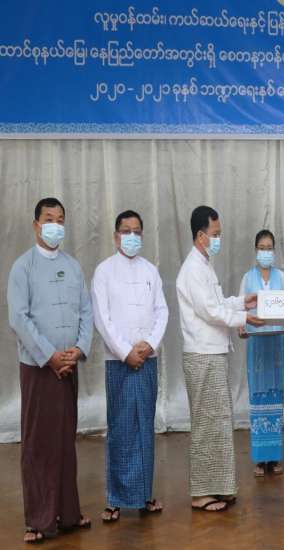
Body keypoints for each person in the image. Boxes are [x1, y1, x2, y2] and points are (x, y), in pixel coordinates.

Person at [7, 197, 93, 543]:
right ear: (36, 225)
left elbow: (86, 312)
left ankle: (69, 513)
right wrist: (49, 356)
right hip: (39, 367)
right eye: (48, 219)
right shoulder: (22, 267)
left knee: (65, 441)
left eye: (60, 220)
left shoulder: (73, 266)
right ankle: (39, 519)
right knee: (38, 443)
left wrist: (79, 349)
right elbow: (19, 318)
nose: (55, 226)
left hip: (69, 365)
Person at [175, 206, 262, 512]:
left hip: (213, 353)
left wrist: (242, 303)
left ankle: (221, 487)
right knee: (205, 425)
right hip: (202, 355)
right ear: (201, 236)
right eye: (215, 234)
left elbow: (217, 302)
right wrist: (245, 318)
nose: (218, 240)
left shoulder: (204, 265)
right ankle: (201, 493)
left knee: (219, 424)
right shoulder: (192, 269)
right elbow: (210, 311)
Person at [91, 210, 168, 522]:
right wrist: (125, 351)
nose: (132, 236)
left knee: (145, 426)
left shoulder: (151, 271)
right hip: (119, 361)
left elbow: (162, 312)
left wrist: (149, 344)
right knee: (120, 428)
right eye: (126, 231)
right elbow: (102, 318)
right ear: (115, 236)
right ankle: (115, 499)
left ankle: (145, 495)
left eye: (137, 231)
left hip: (147, 359)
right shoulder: (103, 271)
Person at [239, 230, 284, 477]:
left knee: (275, 398)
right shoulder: (247, 278)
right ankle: (260, 459)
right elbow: (241, 308)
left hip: (276, 345)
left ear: (274, 250)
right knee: (259, 399)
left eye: (269, 248)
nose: (266, 252)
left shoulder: (281, 277)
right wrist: (241, 326)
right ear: (255, 250)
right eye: (262, 248)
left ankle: (275, 456)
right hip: (257, 347)